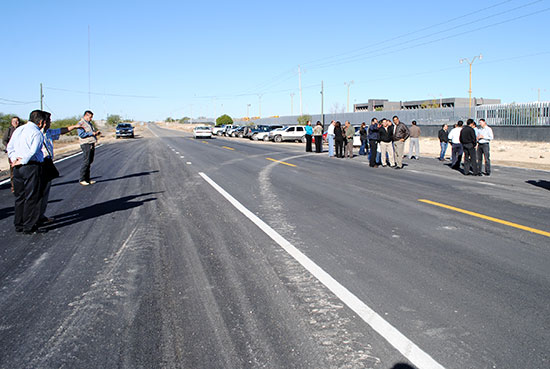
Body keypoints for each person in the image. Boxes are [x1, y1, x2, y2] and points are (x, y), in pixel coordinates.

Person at [7, 110, 46, 234]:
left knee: (20, 197)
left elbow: (10, 147)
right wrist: (23, 160)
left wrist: (14, 159)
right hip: (31, 167)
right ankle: (29, 225)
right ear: (40, 122)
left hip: (17, 167)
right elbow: (33, 151)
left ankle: (19, 223)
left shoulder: (19, 130)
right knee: (32, 197)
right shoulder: (36, 133)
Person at [39, 112, 79, 224]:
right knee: (38, 192)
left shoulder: (49, 132)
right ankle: (33, 218)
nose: (51, 122)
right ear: (44, 122)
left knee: (45, 191)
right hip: (38, 164)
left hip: (47, 163)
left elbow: (62, 130)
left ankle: (41, 216)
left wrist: (75, 126)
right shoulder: (35, 133)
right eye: (49, 120)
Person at [76, 110, 100, 185]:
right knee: (86, 161)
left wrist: (95, 133)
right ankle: (82, 179)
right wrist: (91, 133)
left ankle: (87, 179)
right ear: (86, 115)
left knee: (89, 161)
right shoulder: (81, 124)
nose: (91, 119)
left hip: (91, 143)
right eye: (90, 117)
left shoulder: (89, 123)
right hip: (86, 144)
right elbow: (81, 134)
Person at [3, 116, 22, 192]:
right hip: (12, 153)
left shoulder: (22, 129)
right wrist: (9, 148)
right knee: (13, 170)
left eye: (17, 121)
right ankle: (13, 186)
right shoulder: (9, 130)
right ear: (11, 122)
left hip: (21, 153)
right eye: (14, 121)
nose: (15, 123)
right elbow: (4, 140)